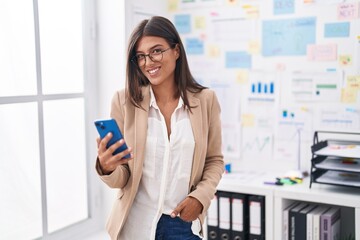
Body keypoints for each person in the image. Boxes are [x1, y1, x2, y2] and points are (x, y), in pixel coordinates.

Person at [95, 16, 224, 240]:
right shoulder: (123, 102)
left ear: (176, 51)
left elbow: (214, 160)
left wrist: (200, 198)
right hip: (135, 225)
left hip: (182, 224)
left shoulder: (206, 100)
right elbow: (123, 178)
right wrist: (107, 168)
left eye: (156, 51)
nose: (148, 62)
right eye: (141, 56)